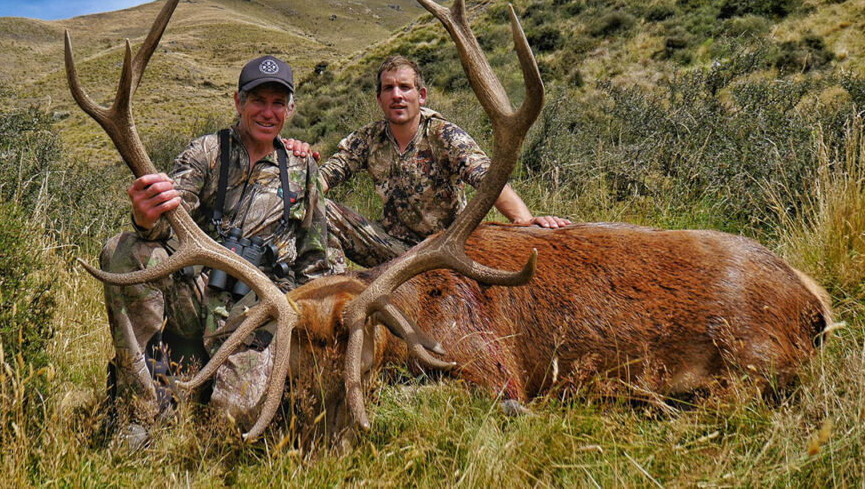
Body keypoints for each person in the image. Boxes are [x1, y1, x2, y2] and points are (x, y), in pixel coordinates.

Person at [99, 54, 336, 449]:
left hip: (258, 311)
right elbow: (164, 222)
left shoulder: (302, 168)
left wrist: (305, 330)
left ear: (290, 109)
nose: (267, 111)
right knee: (123, 250)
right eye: (257, 100)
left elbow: (314, 256)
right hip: (198, 295)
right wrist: (145, 217)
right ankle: (142, 410)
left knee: (232, 416)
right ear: (238, 102)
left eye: (278, 102)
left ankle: (200, 386)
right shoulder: (206, 153)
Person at [308, 55, 570, 268]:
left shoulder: (443, 135)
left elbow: (489, 180)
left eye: (405, 87)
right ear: (379, 99)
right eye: (388, 88)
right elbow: (327, 176)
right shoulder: (368, 138)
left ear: (421, 95)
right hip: (393, 251)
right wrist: (298, 187)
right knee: (320, 206)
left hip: (446, 251)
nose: (397, 95)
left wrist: (524, 221)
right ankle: (333, 296)